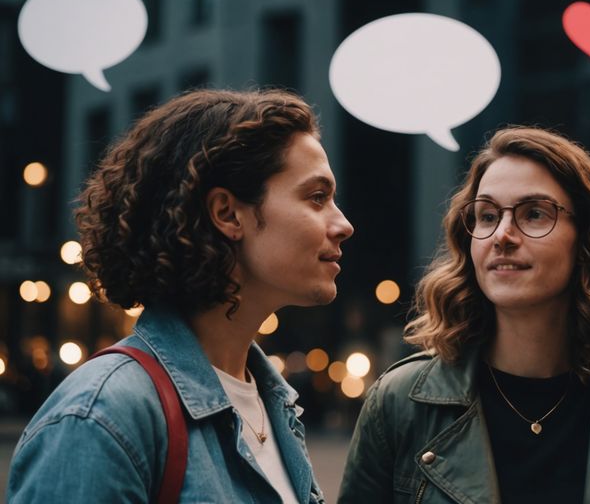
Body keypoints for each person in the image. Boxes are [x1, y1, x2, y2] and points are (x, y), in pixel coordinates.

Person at [339, 127, 590, 503]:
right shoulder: (399, 404)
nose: (502, 235)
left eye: (534, 213)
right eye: (487, 215)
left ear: (586, 239)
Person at [8, 89, 354, 502]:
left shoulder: (273, 403)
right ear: (227, 213)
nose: (343, 224)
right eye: (317, 197)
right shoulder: (100, 417)